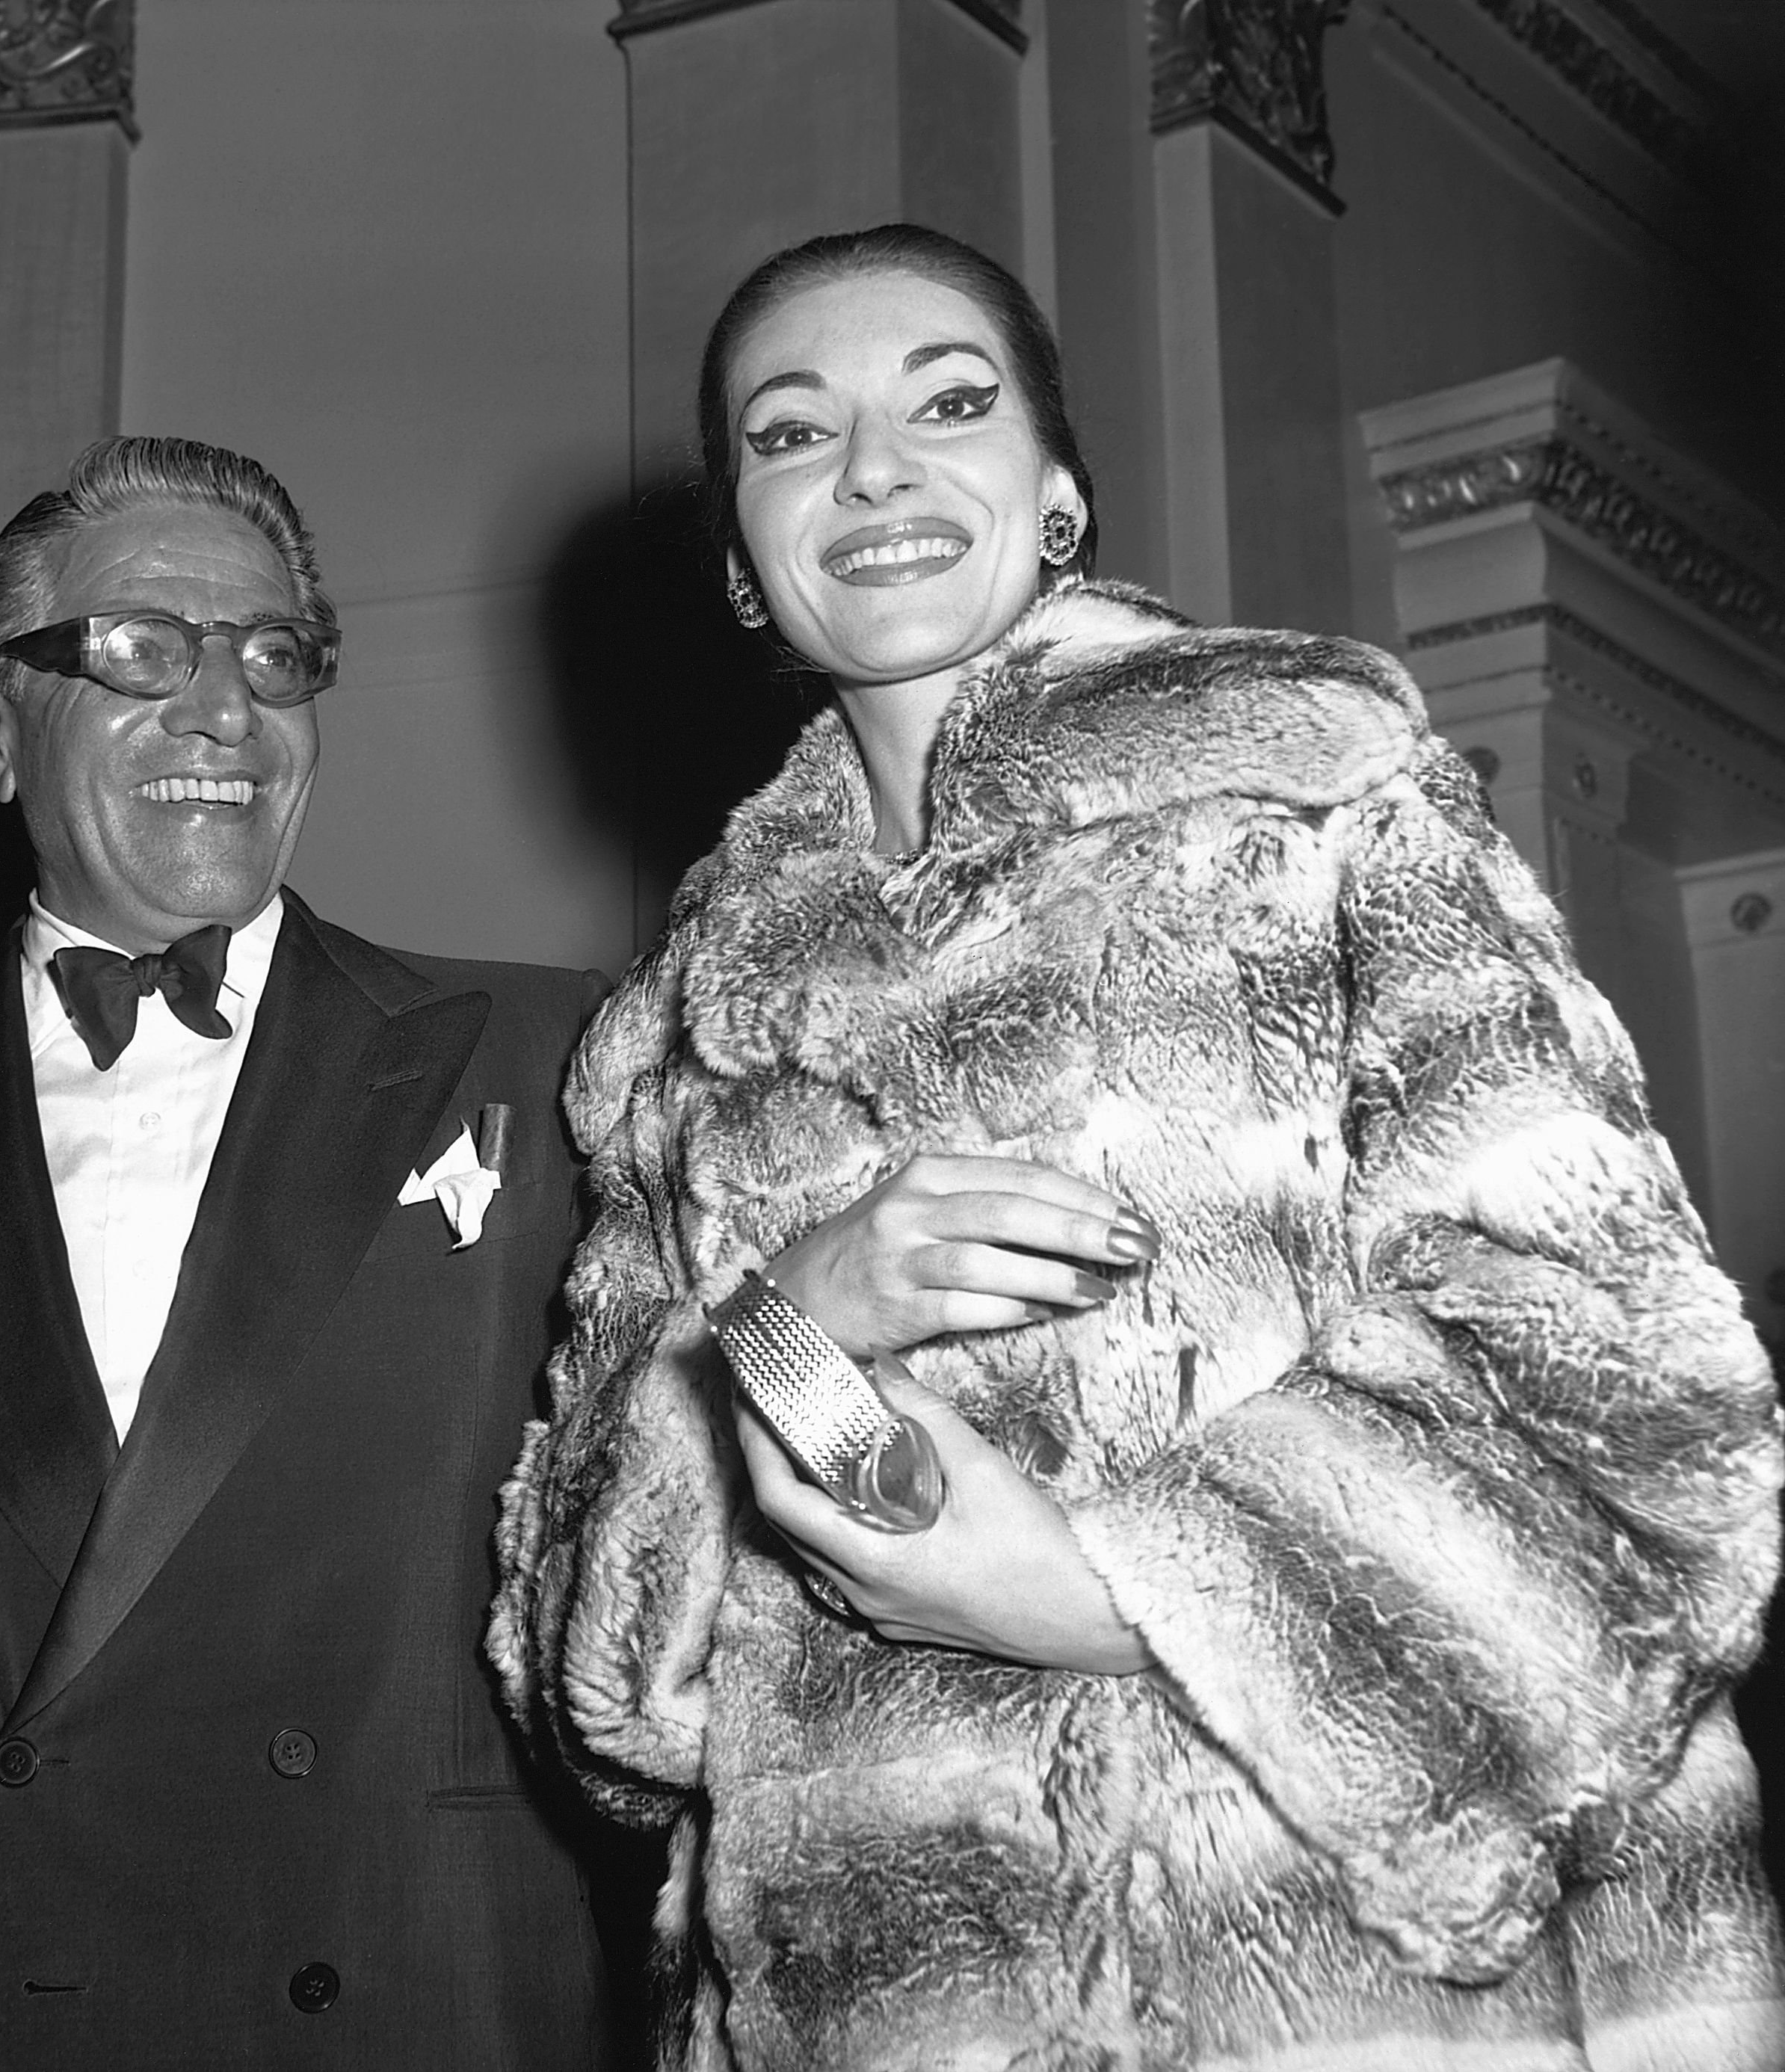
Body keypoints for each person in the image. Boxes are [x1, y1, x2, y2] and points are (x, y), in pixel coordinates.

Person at [493, 223, 1785, 2069]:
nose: (872, 468)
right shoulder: (674, 1037)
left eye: (950, 403)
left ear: (1060, 496)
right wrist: (785, 1324)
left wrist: (1122, 1598)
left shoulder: (1321, 809)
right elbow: (605, 1695)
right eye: (790, 434)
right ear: (737, 565)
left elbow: (1641, 1419)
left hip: (1374, 1999)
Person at [0, 436, 623, 2070]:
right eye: (144, 647)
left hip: (416, 1995)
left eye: (274, 655)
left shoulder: (542, 1050)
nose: (226, 708)